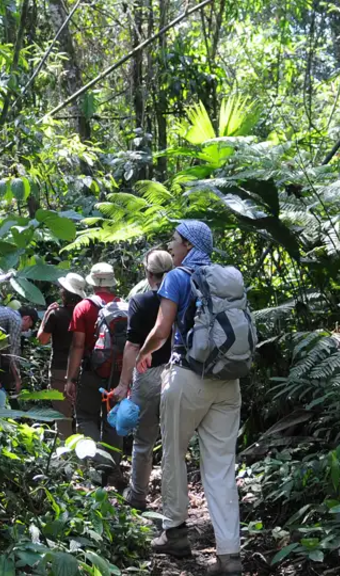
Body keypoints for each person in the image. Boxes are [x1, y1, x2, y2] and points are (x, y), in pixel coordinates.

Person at [135, 221, 243, 573]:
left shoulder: (177, 277)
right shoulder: (226, 278)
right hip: (227, 380)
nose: (171, 246)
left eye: (175, 240)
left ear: (189, 245)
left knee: (174, 453)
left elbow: (162, 330)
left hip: (187, 375)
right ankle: (229, 555)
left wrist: (142, 354)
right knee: (221, 466)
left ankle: (175, 533)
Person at [110, 250, 174, 511]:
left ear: (149, 273)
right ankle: (173, 502)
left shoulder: (140, 301)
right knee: (173, 442)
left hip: (147, 375)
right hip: (179, 374)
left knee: (144, 441)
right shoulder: (183, 297)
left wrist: (123, 384)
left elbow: (133, 345)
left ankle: (138, 496)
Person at [64, 262, 126, 488]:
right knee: (113, 421)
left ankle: (97, 465)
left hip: (92, 373)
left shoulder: (83, 307)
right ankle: (112, 468)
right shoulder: (124, 305)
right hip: (118, 373)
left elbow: (78, 345)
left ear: (92, 282)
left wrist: (70, 379)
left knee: (85, 417)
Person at [37, 273, 87, 439]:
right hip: (84, 369)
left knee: (63, 416)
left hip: (60, 371)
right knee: (84, 417)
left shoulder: (56, 314)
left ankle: (66, 452)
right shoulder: (86, 313)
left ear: (64, 293)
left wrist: (46, 316)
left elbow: (42, 339)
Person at [0, 304, 39, 393]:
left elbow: (2, 347)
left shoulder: (7, 312)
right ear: (27, 318)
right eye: (29, 327)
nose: (27, 330)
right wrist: (18, 379)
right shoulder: (17, 320)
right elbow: (14, 352)